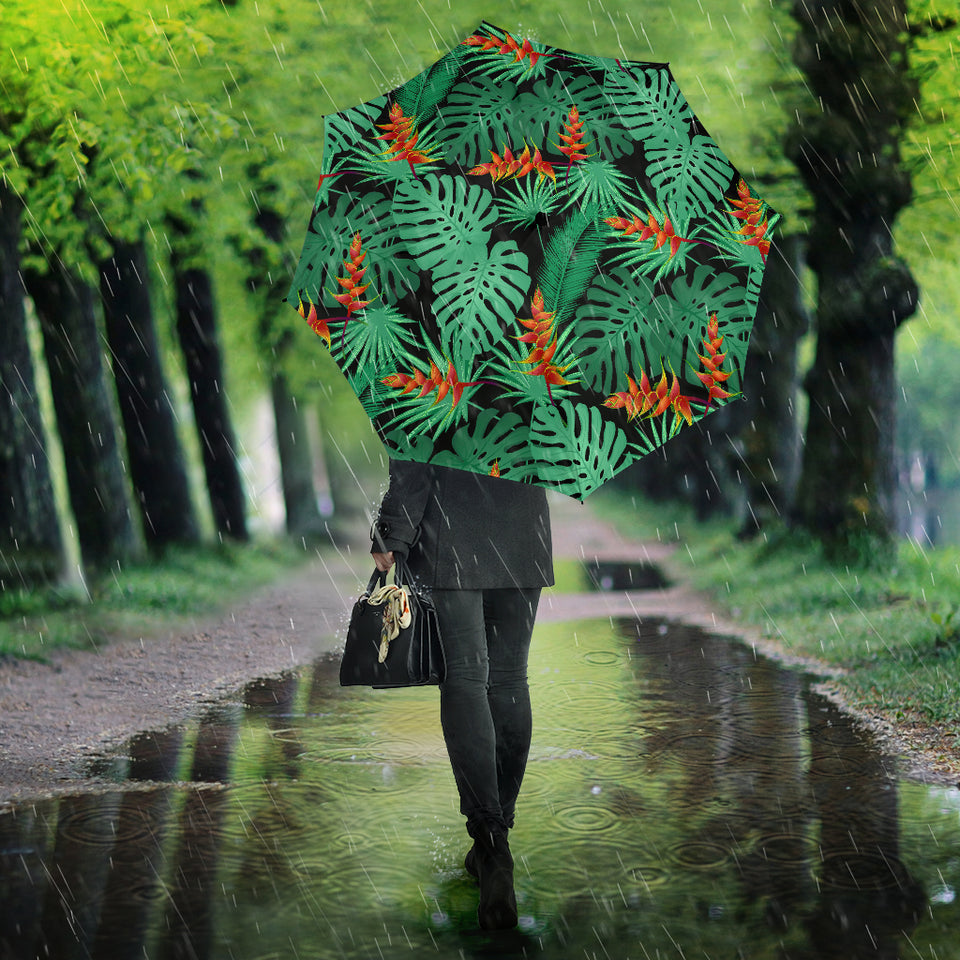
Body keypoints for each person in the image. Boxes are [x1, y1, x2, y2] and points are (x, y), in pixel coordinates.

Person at [371, 458, 553, 930]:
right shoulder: (541, 378)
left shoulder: (433, 377)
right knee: (511, 677)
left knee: (466, 677)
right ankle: (497, 838)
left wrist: (394, 529)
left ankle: (490, 840)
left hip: (452, 528)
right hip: (522, 523)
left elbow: (417, 441)